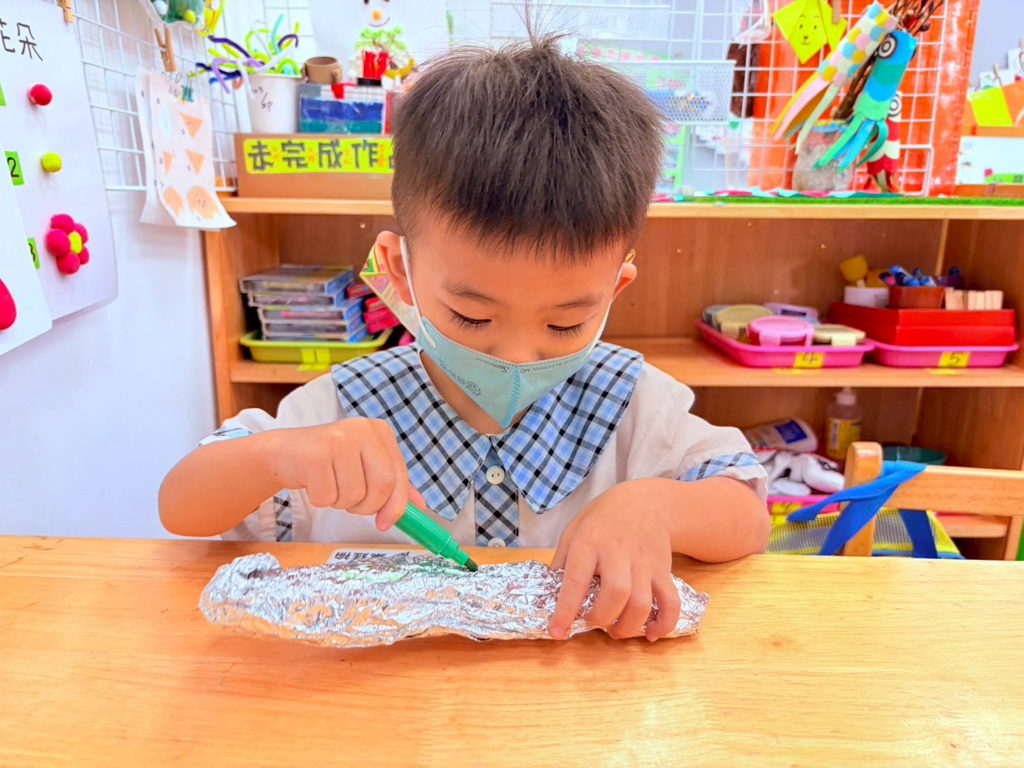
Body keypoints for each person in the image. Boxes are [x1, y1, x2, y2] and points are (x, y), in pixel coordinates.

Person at [160, 36, 769, 642]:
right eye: (472, 317)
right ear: (398, 272)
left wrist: (655, 508)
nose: (516, 358)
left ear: (615, 289)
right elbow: (181, 506)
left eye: (565, 323)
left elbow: (747, 513)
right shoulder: (341, 411)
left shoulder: (632, 404)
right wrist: (275, 457)